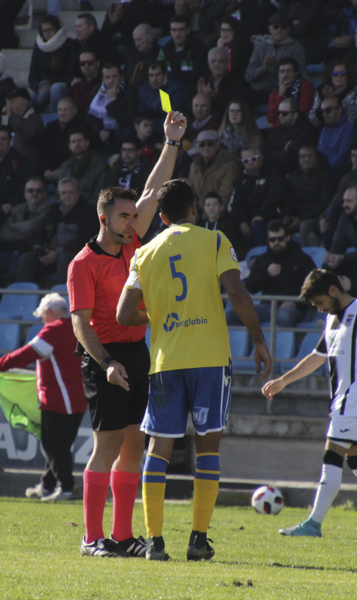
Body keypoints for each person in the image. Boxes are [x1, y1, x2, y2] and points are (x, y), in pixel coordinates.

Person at [115, 178, 271, 562]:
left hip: (166, 361)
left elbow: (122, 314)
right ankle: (198, 539)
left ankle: (154, 542)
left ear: (162, 216)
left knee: (159, 448)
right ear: (195, 210)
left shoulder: (144, 252)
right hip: (210, 360)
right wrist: (259, 340)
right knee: (208, 447)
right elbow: (236, 291)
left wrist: (156, 313)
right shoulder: (215, 241)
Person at [68, 111, 186, 558]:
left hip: (137, 353)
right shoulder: (83, 263)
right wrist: (106, 363)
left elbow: (155, 191)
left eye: (134, 216)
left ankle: (120, 537)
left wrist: (171, 142)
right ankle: (90, 539)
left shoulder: (134, 243)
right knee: (108, 445)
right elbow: (80, 322)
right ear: (104, 218)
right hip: (105, 356)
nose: (133, 221)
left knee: (134, 442)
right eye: (124, 216)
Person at [262, 269, 357, 539]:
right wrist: (283, 381)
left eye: (320, 303)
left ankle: (313, 524)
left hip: (354, 400)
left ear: (333, 291)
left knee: (331, 455)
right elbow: (317, 356)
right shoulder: (333, 320)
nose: (320, 309)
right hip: (343, 401)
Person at [0, 293, 86, 501]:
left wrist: (0, 364)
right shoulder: (77, 327)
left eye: (42, 316)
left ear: (50, 313)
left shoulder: (54, 330)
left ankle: (67, 488)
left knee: (53, 447)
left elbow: (27, 353)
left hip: (58, 399)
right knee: (60, 446)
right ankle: (47, 485)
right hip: (78, 400)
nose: (41, 320)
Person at [229, 220, 314, 328]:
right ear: (268, 241)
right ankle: (250, 342)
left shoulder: (302, 258)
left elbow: (314, 285)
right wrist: (267, 274)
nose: (276, 242)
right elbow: (251, 286)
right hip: (267, 307)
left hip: (292, 307)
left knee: (284, 317)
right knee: (231, 315)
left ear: (287, 238)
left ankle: (284, 345)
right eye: (272, 240)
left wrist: (296, 302)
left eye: (280, 239)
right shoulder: (263, 259)